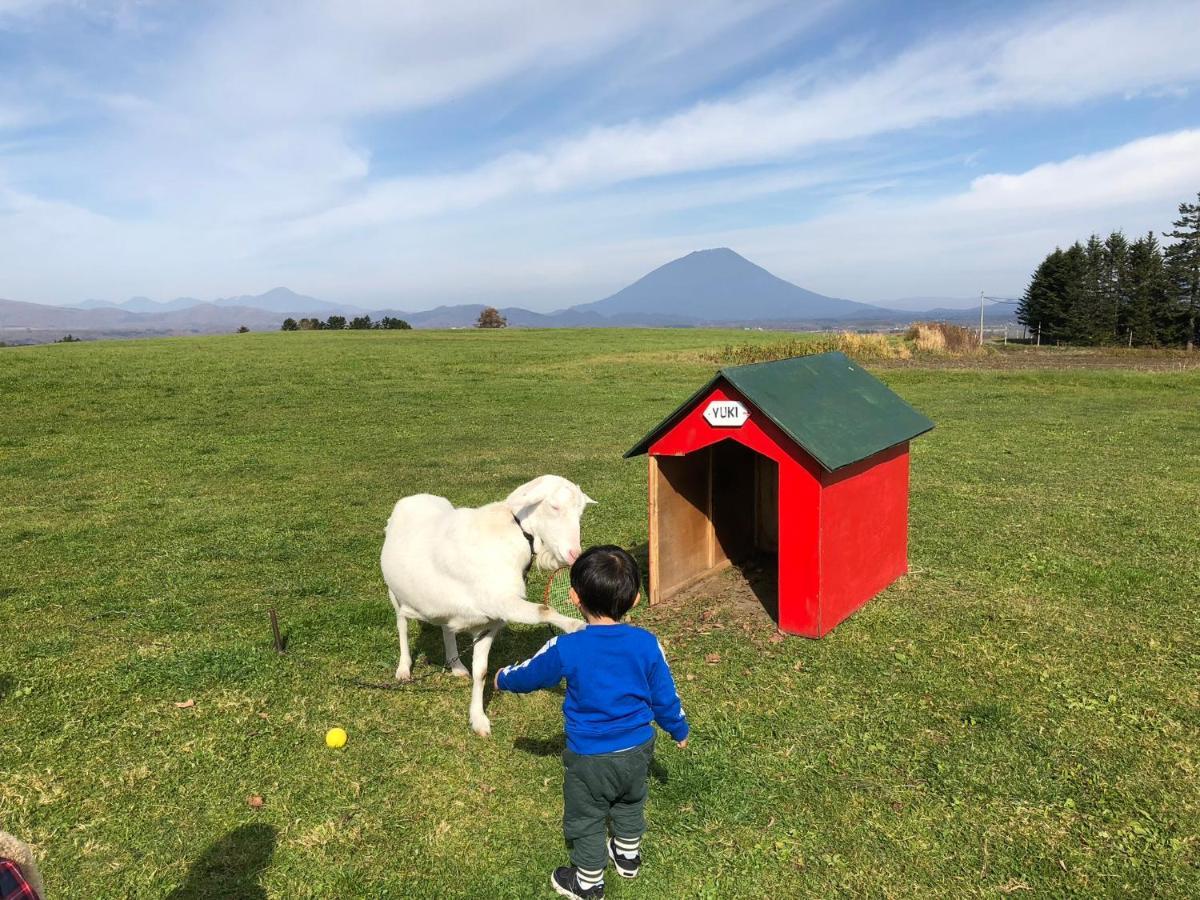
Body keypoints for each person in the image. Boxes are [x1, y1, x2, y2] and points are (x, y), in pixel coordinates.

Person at [494, 545, 689, 900]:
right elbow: (665, 695)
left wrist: (502, 677)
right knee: (631, 800)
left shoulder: (567, 647)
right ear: (634, 600)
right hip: (638, 749)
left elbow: (531, 674)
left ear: (574, 597)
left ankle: (586, 882)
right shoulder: (647, 643)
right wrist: (678, 728)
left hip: (589, 758)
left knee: (587, 817)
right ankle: (628, 857)